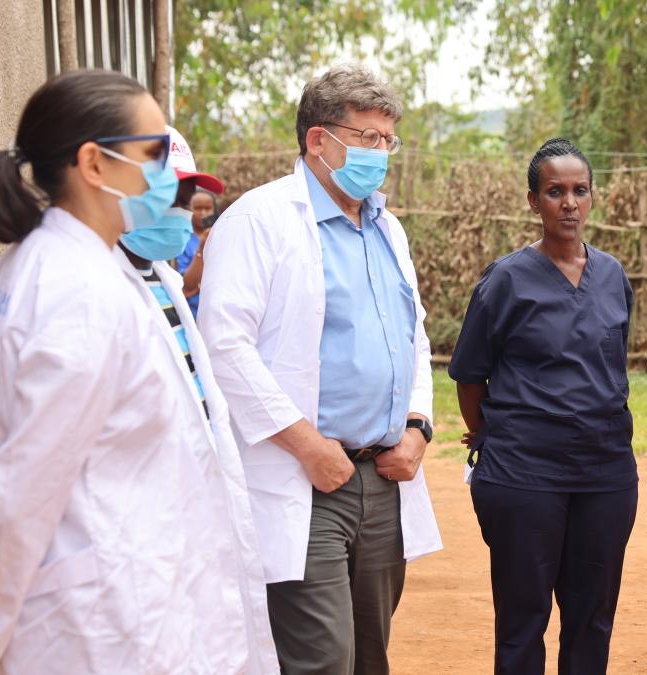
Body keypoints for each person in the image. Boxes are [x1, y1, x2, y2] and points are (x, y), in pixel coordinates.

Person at [0, 70, 265, 674]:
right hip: (102, 624)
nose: (170, 178)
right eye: (152, 154)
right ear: (93, 164)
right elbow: (18, 492)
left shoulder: (30, 275)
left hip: (118, 604)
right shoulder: (79, 293)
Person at [198, 63, 442, 675]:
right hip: (307, 479)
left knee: (370, 654)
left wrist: (418, 429)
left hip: (384, 477)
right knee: (322, 657)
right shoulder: (259, 220)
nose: (381, 153)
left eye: (388, 140)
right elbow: (224, 345)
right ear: (318, 140)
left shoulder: (388, 229)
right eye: (367, 138)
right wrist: (307, 446)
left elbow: (412, 338)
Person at [450, 138, 638, 675]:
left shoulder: (613, 277)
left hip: (605, 475)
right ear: (534, 201)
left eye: (580, 191)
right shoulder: (506, 280)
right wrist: (497, 437)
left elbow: (612, 366)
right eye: (555, 192)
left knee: (592, 618)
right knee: (522, 618)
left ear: (593, 198)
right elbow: (469, 376)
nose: (569, 203)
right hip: (523, 477)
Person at [111, 124, 278, 674]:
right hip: (130, 543)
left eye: (191, 198)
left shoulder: (161, 277)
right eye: (173, 195)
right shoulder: (90, 291)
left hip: (189, 524)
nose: (186, 210)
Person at [177, 186, 221, 318]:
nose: (203, 213)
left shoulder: (222, 233)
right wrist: (201, 249)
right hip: (192, 311)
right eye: (197, 208)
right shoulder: (182, 239)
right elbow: (187, 285)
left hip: (217, 310)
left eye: (207, 208)